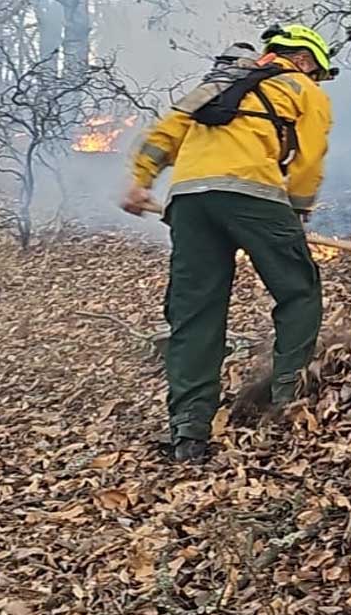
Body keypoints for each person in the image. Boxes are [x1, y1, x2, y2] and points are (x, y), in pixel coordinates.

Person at [122, 24, 336, 463]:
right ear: (305, 59)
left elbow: (162, 135)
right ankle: (287, 398)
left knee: (194, 313)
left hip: (189, 201)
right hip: (252, 194)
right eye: (316, 70)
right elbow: (310, 157)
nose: (315, 77)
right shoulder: (302, 87)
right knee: (298, 291)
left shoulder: (213, 87)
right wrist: (297, 208)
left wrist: (141, 181)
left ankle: (188, 431)